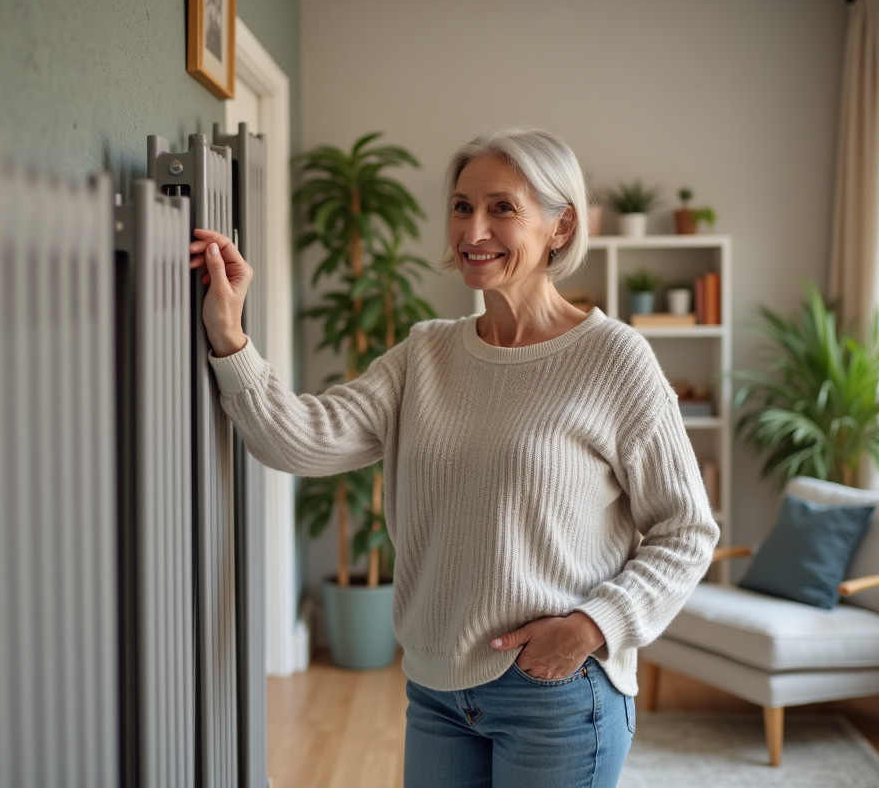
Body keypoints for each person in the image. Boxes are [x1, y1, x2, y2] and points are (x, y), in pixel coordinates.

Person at [189, 126, 719, 788]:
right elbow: (298, 437)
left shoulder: (615, 359)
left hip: (556, 693)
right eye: (462, 207)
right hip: (437, 693)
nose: (473, 230)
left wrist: (592, 626)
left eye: (502, 208)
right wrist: (229, 333)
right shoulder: (426, 353)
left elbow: (686, 530)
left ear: (561, 226)